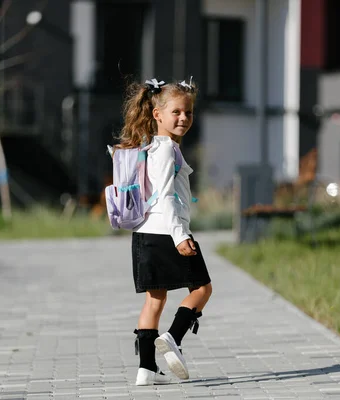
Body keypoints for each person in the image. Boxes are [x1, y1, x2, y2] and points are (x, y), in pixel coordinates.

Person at [114, 77, 213, 386]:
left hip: (144, 235)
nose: (184, 118)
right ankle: (173, 337)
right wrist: (180, 235)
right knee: (202, 289)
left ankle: (146, 370)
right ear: (158, 114)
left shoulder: (150, 147)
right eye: (177, 112)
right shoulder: (167, 149)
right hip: (168, 232)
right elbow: (167, 196)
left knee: (154, 301)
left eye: (189, 113)